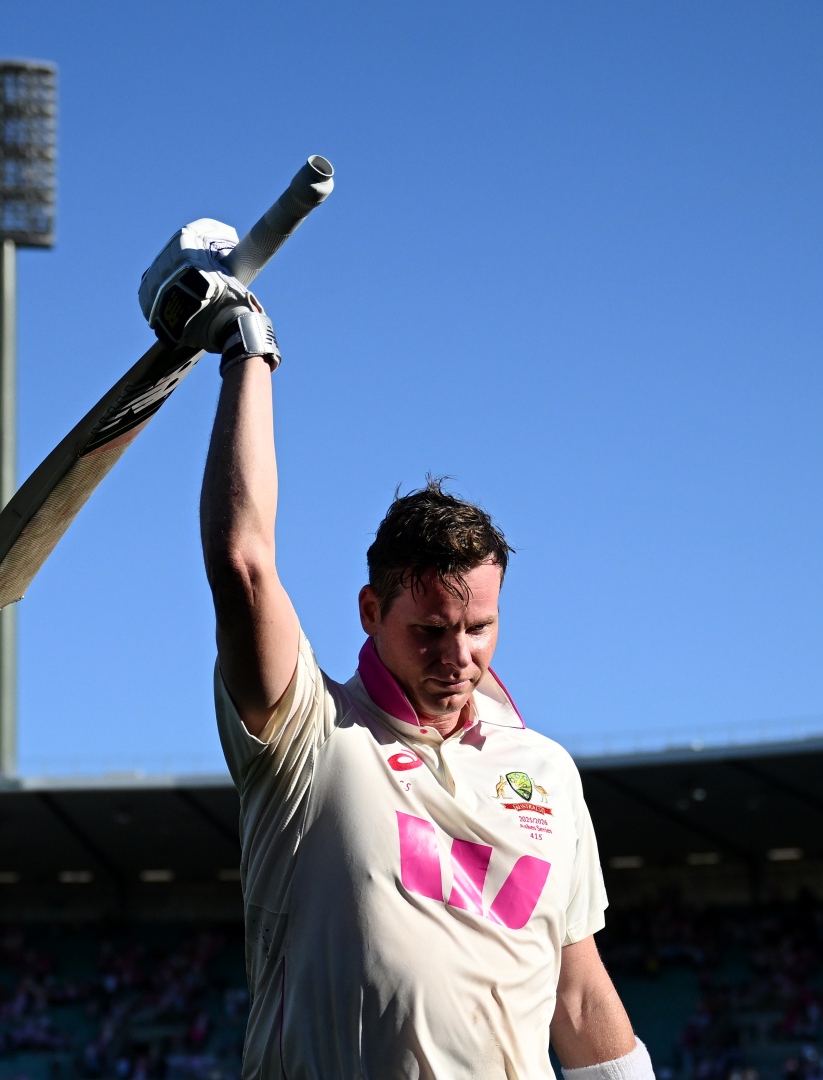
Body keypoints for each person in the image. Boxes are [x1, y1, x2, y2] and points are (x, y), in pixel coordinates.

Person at [140, 221, 650, 1078]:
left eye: (479, 628)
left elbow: (579, 997)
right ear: (371, 612)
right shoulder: (309, 739)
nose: (459, 655)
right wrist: (246, 352)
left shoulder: (547, 774)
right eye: (430, 630)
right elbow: (243, 564)